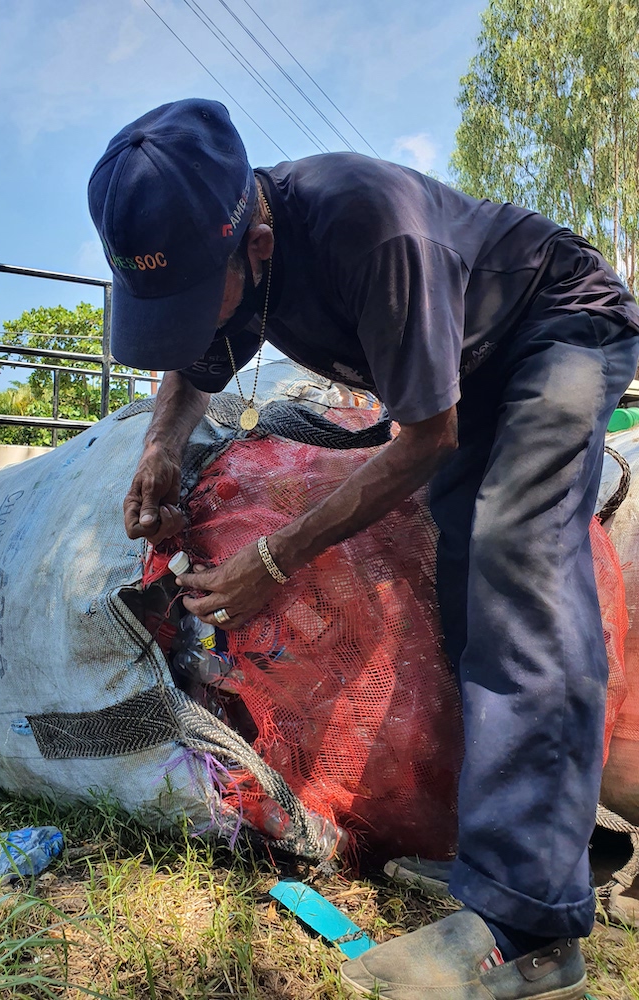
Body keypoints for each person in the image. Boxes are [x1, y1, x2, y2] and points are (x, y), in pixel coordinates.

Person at [88, 98, 639, 999]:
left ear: (254, 243)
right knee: (461, 583)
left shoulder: (371, 233)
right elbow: (193, 365)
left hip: (555, 328)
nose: (188, 324)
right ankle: (503, 858)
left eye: (193, 295)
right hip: (468, 365)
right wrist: (158, 451)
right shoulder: (237, 254)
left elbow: (422, 440)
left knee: (518, 569)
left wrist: (274, 560)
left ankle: (531, 932)